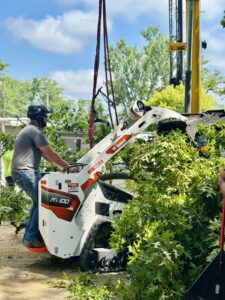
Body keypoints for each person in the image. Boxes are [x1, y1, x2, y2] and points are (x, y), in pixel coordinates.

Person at [11, 104, 71, 248]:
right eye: (45, 116)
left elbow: (45, 155)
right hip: (26, 173)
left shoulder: (29, 130)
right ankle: (31, 237)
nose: (47, 119)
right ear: (39, 117)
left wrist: (61, 167)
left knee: (38, 202)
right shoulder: (35, 131)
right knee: (44, 202)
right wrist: (68, 167)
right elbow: (50, 153)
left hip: (23, 172)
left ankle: (32, 235)